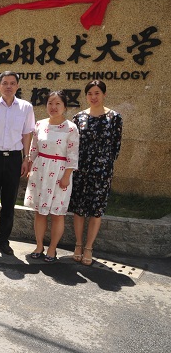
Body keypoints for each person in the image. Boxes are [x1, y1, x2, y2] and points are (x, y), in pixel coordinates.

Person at [0, 71, 35, 255]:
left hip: (14, 158)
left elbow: (27, 134)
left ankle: (3, 241)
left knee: (9, 203)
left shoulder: (26, 107)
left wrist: (26, 157)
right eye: (5, 83)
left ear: (17, 86)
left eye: (12, 83)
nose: (8, 86)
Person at [69, 80, 122, 266]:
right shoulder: (79, 117)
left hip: (102, 172)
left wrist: (103, 164)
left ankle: (89, 247)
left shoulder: (114, 117)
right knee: (79, 208)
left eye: (97, 93)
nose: (93, 97)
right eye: (90, 93)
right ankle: (78, 244)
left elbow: (116, 146)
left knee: (96, 210)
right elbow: (73, 145)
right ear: (86, 96)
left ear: (104, 94)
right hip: (81, 169)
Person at [24, 91, 79, 263]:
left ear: (65, 106)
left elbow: (73, 154)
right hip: (40, 171)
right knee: (40, 212)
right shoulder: (39, 124)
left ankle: (52, 248)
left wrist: (67, 176)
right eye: (50, 103)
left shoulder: (71, 128)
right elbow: (34, 149)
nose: (53, 107)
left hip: (60, 172)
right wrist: (30, 166)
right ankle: (39, 245)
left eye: (57, 104)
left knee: (57, 213)